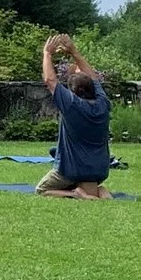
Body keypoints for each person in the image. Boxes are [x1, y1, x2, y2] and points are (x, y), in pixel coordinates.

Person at [38, 34, 115, 199]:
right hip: (99, 170)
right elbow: (94, 77)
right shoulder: (103, 103)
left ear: (73, 92)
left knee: (41, 190)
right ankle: (98, 191)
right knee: (90, 185)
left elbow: (50, 80)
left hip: (73, 170)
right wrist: (74, 52)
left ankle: (77, 194)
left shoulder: (72, 105)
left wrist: (47, 53)